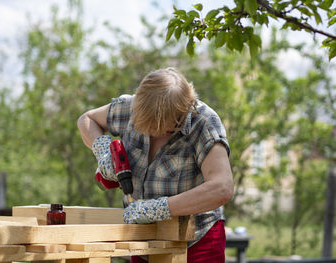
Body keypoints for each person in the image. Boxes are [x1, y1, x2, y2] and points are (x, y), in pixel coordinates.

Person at [77, 67, 234, 263]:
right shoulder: (130, 107)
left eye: (160, 128)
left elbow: (222, 188)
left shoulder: (204, 123)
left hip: (196, 242)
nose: (153, 134)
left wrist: (158, 208)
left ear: (180, 114)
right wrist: (102, 150)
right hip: (142, 238)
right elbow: (87, 119)